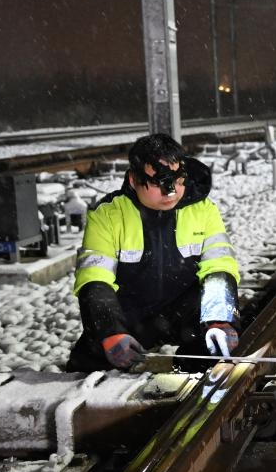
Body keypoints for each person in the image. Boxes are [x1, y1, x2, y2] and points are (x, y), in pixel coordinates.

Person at [67, 133, 241, 372]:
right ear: (133, 180)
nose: (171, 192)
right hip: (131, 314)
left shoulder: (203, 210)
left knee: (216, 346)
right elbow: (94, 279)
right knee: (84, 365)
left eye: (178, 180)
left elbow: (219, 267)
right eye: (159, 182)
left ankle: (193, 375)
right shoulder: (107, 215)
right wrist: (111, 333)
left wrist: (219, 318)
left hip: (185, 311)